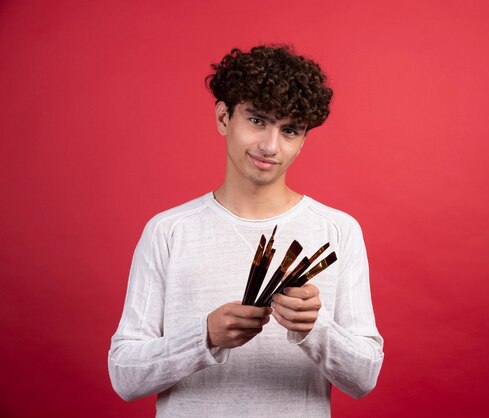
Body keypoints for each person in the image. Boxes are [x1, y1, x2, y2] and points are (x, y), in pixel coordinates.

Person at [108, 45, 384, 417]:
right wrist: (203, 337)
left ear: (303, 140)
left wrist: (314, 330)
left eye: (290, 130)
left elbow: (364, 377)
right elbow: (124, 376)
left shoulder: (338, 230)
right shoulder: (168, 231)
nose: (271, 146)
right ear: (224, 117)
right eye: (257, 120)